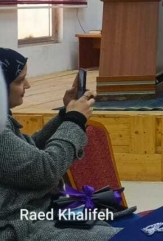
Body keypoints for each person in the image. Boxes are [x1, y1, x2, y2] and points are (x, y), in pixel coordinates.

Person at [0, 49, 121, 241]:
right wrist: (74, 120)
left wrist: (66, 114)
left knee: (119, 226)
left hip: (36, 213)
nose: (28, 85)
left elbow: (30, 151)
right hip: (19, 225)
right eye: (20, 81)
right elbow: (46, 170)